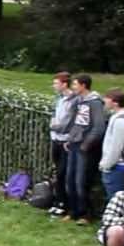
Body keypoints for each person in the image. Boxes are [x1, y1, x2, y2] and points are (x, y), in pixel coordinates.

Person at [65, 74, 106, 223]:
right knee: (69, 180)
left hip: (84, 147)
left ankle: (85, 214)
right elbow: (76, 122)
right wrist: (70, 138)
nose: (73, 87)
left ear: (83, 86)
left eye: (75, 85)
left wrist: (86, 144)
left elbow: (99, 127)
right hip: (74, 144)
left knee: (80, 181)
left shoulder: (94, 103)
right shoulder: (79, 101)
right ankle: (73, 210)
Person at [48, 72, 76, 217]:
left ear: (64, 84)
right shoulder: (58, 99)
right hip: (55, 139)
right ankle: (58, 201)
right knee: (57, 172)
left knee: (63, 173)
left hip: (65, 140)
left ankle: (64, 204)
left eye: (56, 83)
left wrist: (55, 127)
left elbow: (68, 123)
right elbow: (54, 115)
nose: (54, 86)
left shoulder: (73, 101)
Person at [99, 88, 124, 200]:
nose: (104, 100)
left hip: (117, 166)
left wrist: (106, 165)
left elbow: (116, 147)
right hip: (114, 166)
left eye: (107, 98)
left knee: (116, 200)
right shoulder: (116, 117)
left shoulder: (121, 122)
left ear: (115, 103)